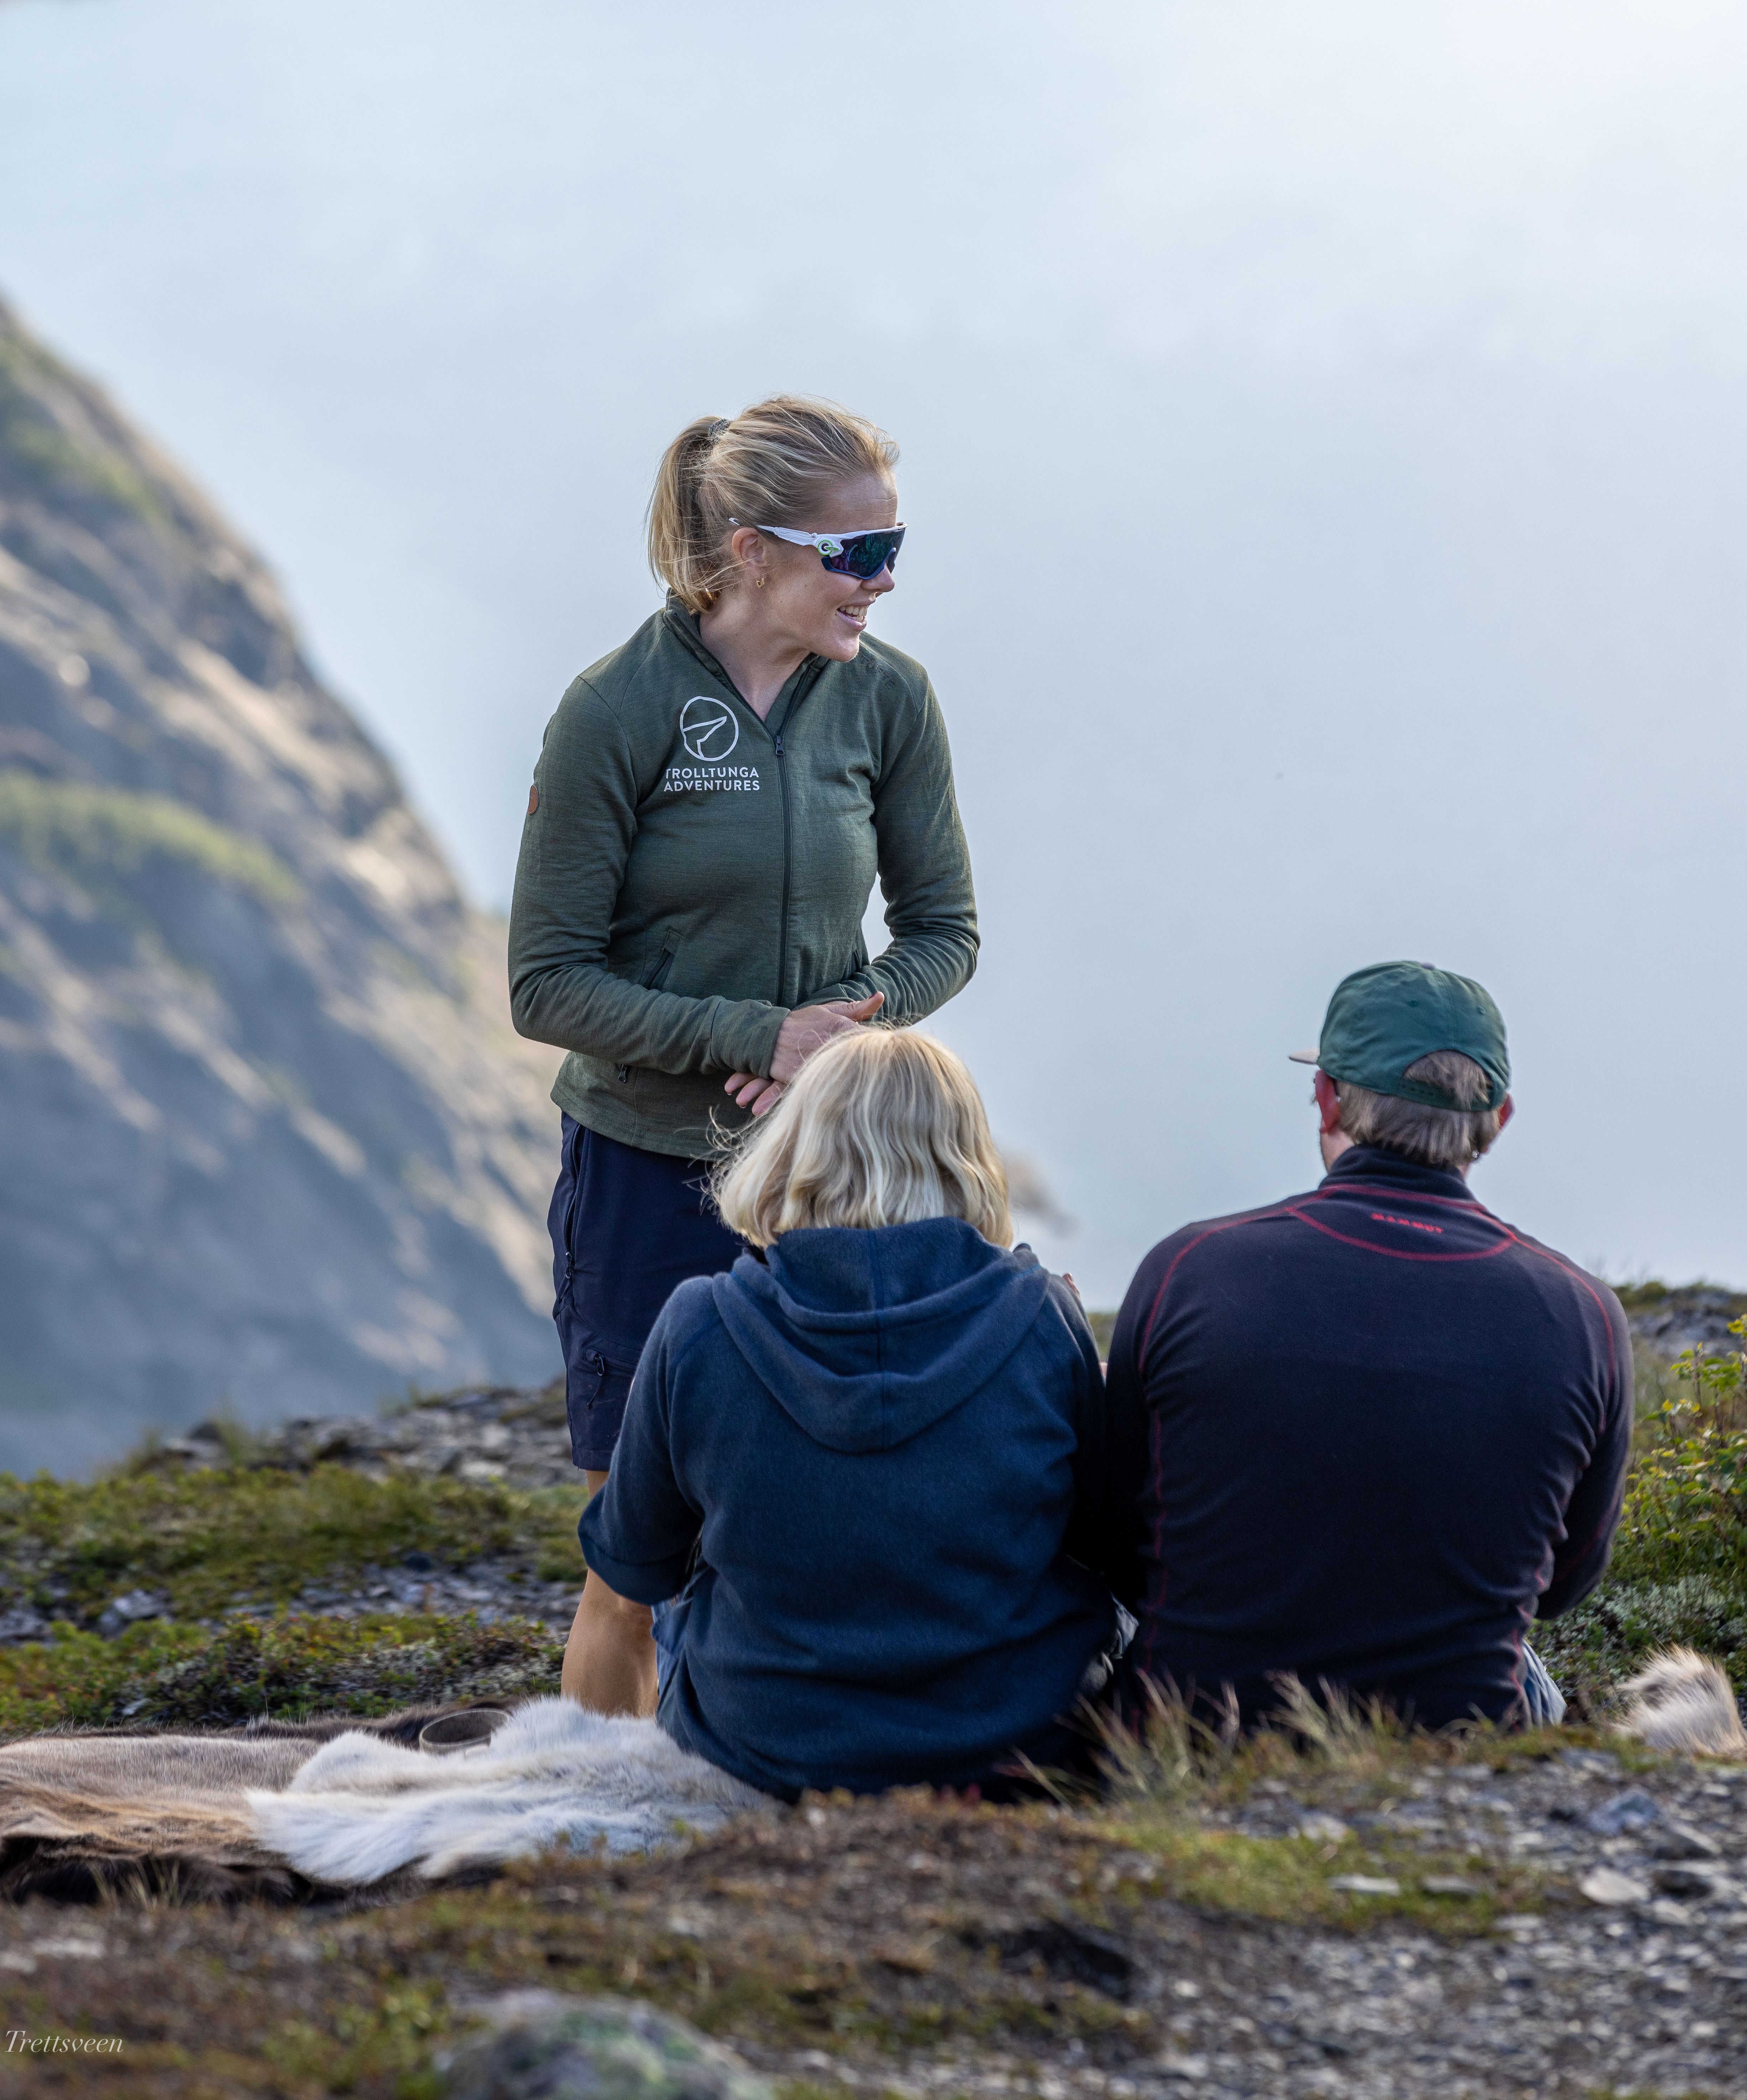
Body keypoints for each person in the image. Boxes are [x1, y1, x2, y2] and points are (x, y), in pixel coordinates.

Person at [509, 396, 979, 1714]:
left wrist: (840, 1034)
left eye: (895, 543)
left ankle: (758, 1799)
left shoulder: (886, 699)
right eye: (853, 553)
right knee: (634, 1564)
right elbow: (545, 983)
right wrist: (749, 1035)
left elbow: (944, 931)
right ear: (748, 551)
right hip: (645, 1173)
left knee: (810, 1525)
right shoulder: (616, 709)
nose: (882, 580)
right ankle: (604, 1824)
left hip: (828, 1176)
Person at [575, 1026, 1116, 1798]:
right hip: (1009, 1750)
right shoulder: (1041, 1316)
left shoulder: (700, 1324)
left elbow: (627, 1579)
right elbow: (1107, 1546)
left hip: (761, 1753)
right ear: (963, 1152)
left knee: (671, 1591)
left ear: (796, 1143)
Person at [1097, 959, 1632, 1731]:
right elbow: (1562, 1586)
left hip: (1190, 1744)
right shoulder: (1584, 1315)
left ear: (1325, 1098)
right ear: (1498, 1119)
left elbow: (1121, 1549)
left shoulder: (1188, 1269)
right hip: (1458, 1762)